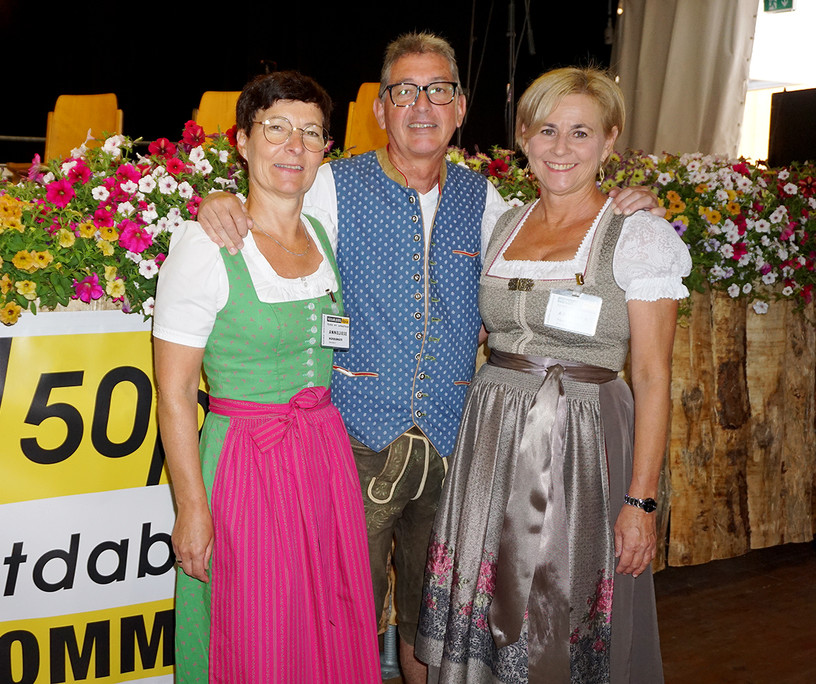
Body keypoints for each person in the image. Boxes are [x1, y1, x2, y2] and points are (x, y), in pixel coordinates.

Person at [197, 33, 662, 684]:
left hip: (458, 451)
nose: (422, 105)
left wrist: (634, 203)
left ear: (461, 107)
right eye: (405, 91)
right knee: (338, 616)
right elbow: (268, 211)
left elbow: (552, 246)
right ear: (380, 109)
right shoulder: (329, 186)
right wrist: (220, 200)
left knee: (436, 627)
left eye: (439, 90)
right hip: (354, 444)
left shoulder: (492, 206)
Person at [416, 67, 691, 683]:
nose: (561, 148)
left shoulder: (638, 236)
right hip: (492, 436)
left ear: (609, 140)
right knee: (487, 596)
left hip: (584, 441)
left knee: (563, 600)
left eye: (581, 132)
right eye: (546, 130)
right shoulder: (503, 222)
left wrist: (641, 501)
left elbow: (652, 376)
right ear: (523, 137)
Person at [153, 71, 380, 683]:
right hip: (244, 463)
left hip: (322, 457)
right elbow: (174, 392)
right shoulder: (204, 248)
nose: (294, 146)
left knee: (322, 622)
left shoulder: (322, 230)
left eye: (311, 133)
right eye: (275, 128)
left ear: (325, 148)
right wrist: (191, 508)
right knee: (254, 628)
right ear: (242, 141)